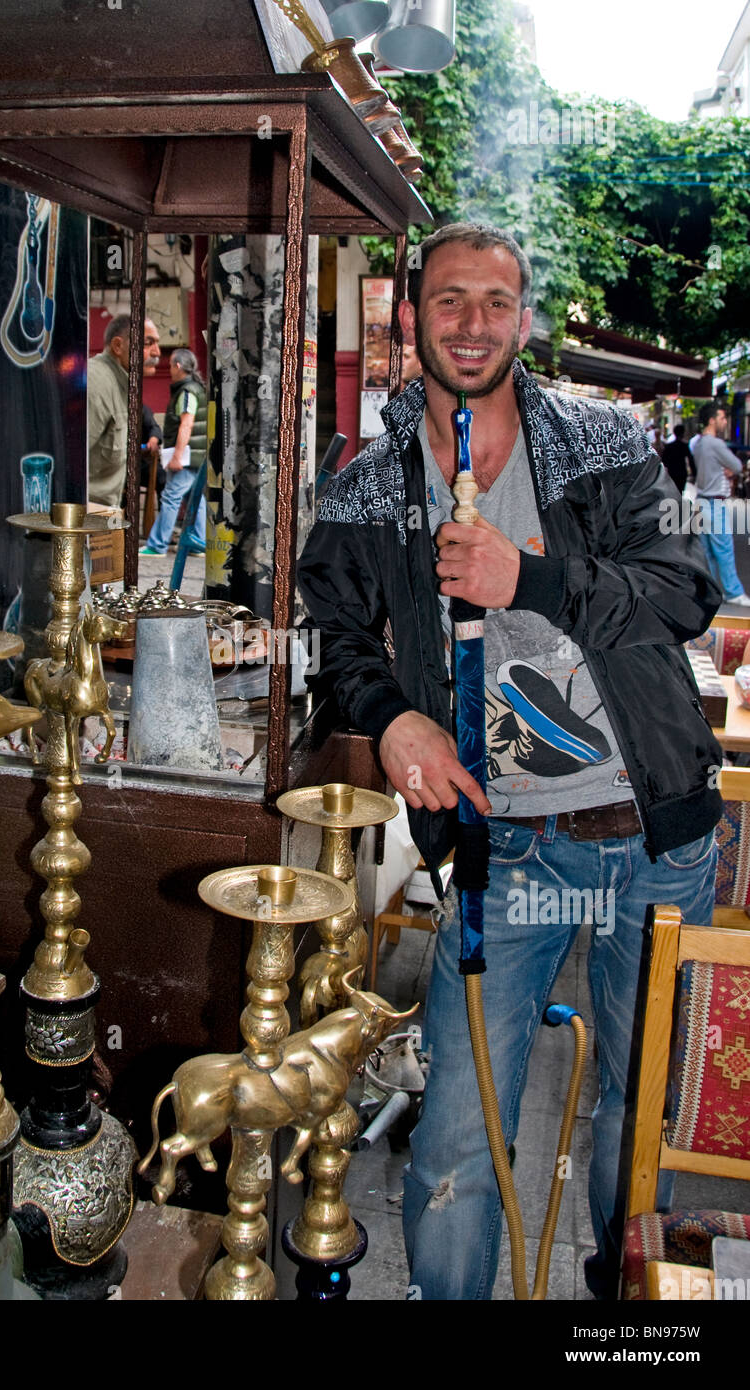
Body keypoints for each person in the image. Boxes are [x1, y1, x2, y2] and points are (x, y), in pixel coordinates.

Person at [297, 222, 723, 1300]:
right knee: (452, 1140)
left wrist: (526, 577)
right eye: (449, 301)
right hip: (503, 851)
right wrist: (393, 718)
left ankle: (617, 1306)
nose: (472, 324)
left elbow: (685, 589)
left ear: (524, 319)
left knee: (637, 1117)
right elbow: (335, 629)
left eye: (495, 302)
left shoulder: (606, 441)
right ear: (412, 316)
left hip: (655, 838)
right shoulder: (368, 481)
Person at [87, 313, 161, 508]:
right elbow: (68, 460)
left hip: (102, 514)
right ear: (118, 346)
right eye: (148, 343)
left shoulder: (123, 384)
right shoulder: (97, 383)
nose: (157, 352)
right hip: (83, 516)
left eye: (157, 343)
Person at [140, 347, 207, 557]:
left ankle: (157, 544)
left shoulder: (187, 391)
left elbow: (186, 424)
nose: (168, 369)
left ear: (178, 366)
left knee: (170, 497)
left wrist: (177, 455)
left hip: (186, 456)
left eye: (170, 365)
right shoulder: (195, 388)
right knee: (195, 498)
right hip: (195, 455)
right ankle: (199, 542)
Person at [691, 402, 749, 606]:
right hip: (714, 504)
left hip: (701, 502)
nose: (725, 422)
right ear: (712, 420)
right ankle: (734, 592)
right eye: (723, 418)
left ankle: (713, 593)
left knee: (710, 552)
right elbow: (736, 465)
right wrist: (730, 470)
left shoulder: (697, 444)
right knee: (724, 549)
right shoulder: (715, 444)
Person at [661, 423, 695, 494]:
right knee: (680, 491)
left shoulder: (669, 446)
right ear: (683, 433)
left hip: (672, 472)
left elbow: (664, 460)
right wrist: (694, 473)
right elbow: (690, 459)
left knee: (672, 492)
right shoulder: (684, 446)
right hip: (682, 473)